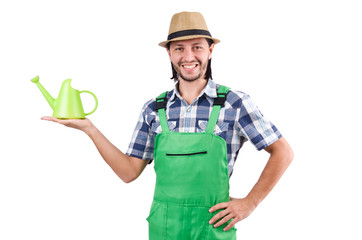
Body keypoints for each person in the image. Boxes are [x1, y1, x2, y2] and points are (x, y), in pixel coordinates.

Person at [42, 11, 293, 240]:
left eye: (197, 47)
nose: (188, 57)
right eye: (179, 49)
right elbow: (128, 172)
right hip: (164, 227)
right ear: (169, 53)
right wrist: (90, 129)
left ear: (210, 50)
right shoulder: (154, 108)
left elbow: (282, 151)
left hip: (212, 226)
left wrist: (250, 203)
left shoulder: (234, 103)